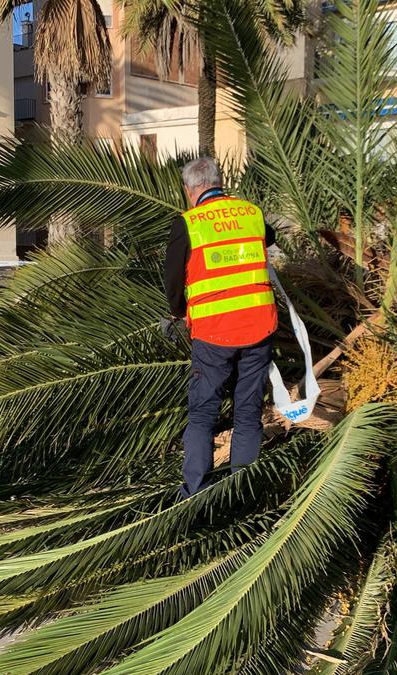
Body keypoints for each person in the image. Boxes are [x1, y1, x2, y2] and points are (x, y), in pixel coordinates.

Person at [165, 156, 278, 498]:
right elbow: (267, 239)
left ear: (190, 190)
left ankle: (196, 491)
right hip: (259, 326)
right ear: (218, 182)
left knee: (203, 413)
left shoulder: (189, 223)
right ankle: (241, 491)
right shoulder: (252, 214)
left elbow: (171, 277)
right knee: (248, 410)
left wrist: (178, 311)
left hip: (214, 333)